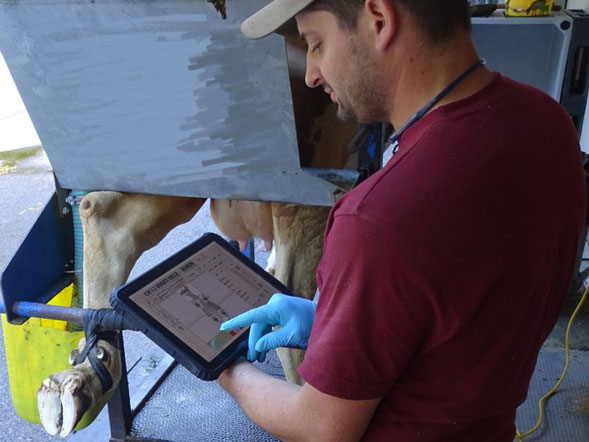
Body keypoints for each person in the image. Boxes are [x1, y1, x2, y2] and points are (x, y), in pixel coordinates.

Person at [218, 1, 587, 441]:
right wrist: (332, 319)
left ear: (380, 20)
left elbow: (319, 428)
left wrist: (225, 366)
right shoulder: (546, 122)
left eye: (316, 43)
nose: (312, 73)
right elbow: (457, 310)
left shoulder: (378, 218)